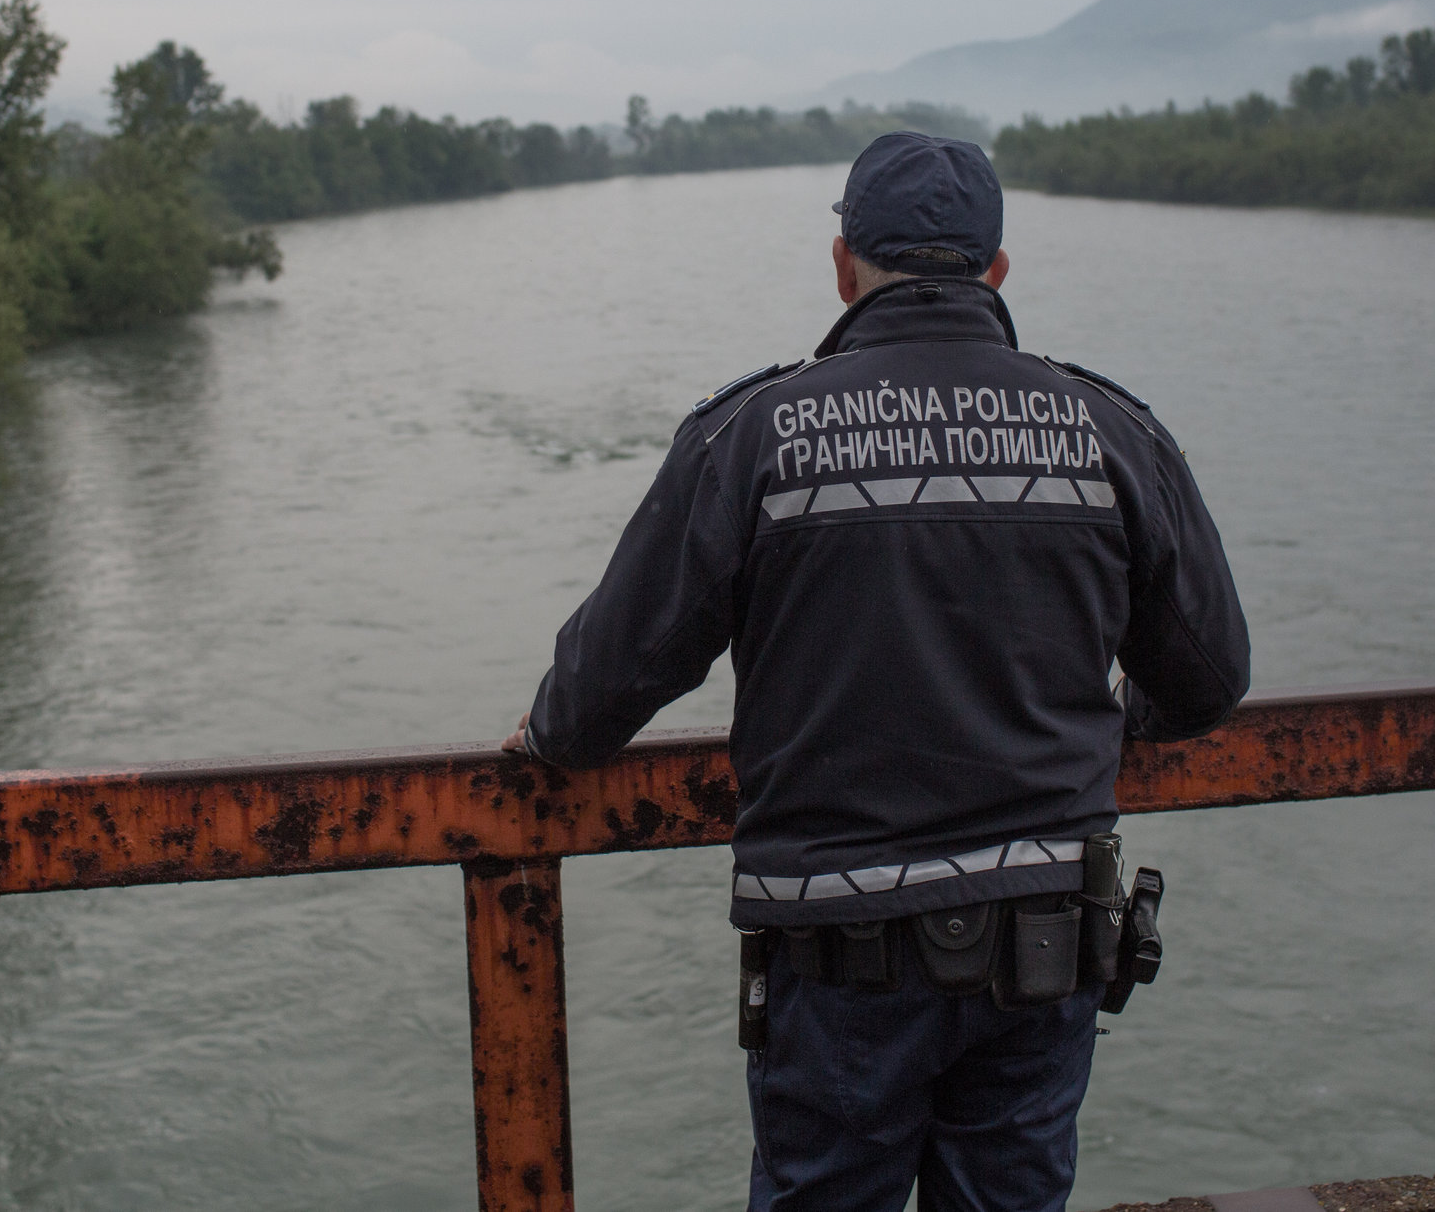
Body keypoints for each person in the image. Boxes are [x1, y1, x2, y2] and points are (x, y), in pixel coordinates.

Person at [502, 131, 1251, 1212]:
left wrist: (542, 738)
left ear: (843, 262)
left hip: (837, 953)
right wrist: (1110, 718)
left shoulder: (755, 432)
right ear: (996, 271)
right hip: (1043, 936)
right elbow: (1210, 675)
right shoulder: (1109, 430)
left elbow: (616, 668)